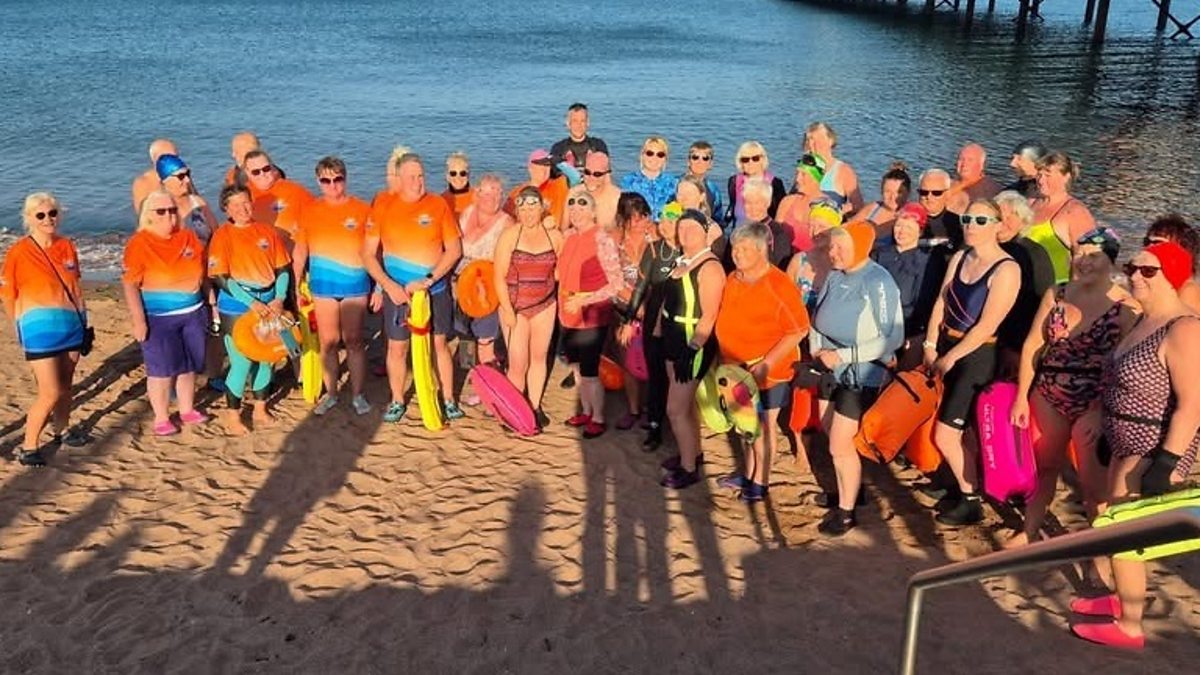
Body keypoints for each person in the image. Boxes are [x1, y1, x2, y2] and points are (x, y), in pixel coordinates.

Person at [1070, 241, 1200, 650]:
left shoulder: (1185, 328)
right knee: (1112, 520)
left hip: (1152, 443)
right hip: (1122, 438)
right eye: (1132, 267)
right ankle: (1120, 597)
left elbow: (1193, 404)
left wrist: (1167, 462)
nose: (1135, 276)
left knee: (1123, 533)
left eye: (1148, 270)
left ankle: (1130, 625)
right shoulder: (1143, 319)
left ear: (1172, 276)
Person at [1008, 228, 1136, 547]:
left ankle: (1099, 553)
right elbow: (1033, 345)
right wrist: (1021, 397)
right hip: (1048, 391)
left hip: (1094, 400)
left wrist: (1102, 410)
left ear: (1112, 260)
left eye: (1093, 255)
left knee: (1094, 488)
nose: (1084, 261)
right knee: (1045, 468)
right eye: (1079, 254)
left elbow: (1126, 368)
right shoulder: (1058, 293)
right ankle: (1029, 530)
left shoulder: (1126, 307)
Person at [923, 199, 1021, 525]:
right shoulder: (961, 257)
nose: (971, 226)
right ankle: (955, 482)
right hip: (948, 345)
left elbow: (986, 326)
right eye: (967, 219)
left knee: (946, 434)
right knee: (959, 430)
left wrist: (950, 357)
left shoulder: (1006, 269)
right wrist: (930, 344)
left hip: (976, 356)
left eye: (980, 220)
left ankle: (970, 498)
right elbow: (941, 301)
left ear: (998, 225)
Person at [809, 222, 904, 533]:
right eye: (832, 247)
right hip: (829, 365)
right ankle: (850, 489)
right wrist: (815, 348)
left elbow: (892, 337)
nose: (833, 253)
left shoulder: (878, 280)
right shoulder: (835, 276)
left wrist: (843, 356)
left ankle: (846, 513)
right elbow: (817, 317)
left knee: (840, 444)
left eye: (841, 247)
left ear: (860, 247)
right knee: (829, 429)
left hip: (861, 372)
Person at [364, 151, 464, 423]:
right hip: (398, 293)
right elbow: (368, 255)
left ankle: (448, 399)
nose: (418, 182)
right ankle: (397, 400)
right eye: (411, 177)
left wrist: (430, 279)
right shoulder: (383, 206)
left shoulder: (437, 204)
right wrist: (388, 287)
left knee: (439, 345)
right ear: (398, 179)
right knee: (397, 348)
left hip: (435, 290)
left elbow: (454, 250)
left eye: (421, 176)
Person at [714, 222, 811, 502]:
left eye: (745, 249)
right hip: (736, 367)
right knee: (746, 425)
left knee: (763, 427)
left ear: (761, 250)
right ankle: (748, 473)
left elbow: (799, 329)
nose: (737, 253)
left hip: (769, 371)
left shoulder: (778, 284)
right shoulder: (734, 278)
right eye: (735, 248)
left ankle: (761, 482)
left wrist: (767, 363)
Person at [1, 193, 90, 466]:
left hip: (71, 325)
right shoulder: (19, 252)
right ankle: (29, 445)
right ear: (29, 218)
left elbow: (75, 286)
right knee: (49, 391)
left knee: (66, 386)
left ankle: (62, 429)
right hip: (38, 331)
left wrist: (84, 321)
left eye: (52, 213)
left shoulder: (66, 246)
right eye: (40, 215)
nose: (47, 219)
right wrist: (18, 326)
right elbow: (8, 294)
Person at [122, 190, 210, 436]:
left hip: (193, 312)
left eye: (172, 210)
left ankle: (187, 409)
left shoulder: (188, 237)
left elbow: (203, 271)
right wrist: (139, 320)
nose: (168, 215)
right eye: (160, 211)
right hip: (159, 318)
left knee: (188, 365)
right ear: (148, 215)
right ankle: (161, 417)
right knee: (161, 369)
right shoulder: (139, 243)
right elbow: (130, 284)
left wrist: (210, 300)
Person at [293, 156, 374, 416]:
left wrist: (380, 288)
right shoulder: (309, 211)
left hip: (355, 284)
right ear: (318, 182)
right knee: (328, 342)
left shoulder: (362, 209)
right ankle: (331, 394)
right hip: (323, 286)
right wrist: (295, 284)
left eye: (337, 179)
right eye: (326, 180)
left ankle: (358, 395)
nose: (332, 185)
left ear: (345, 179)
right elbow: (300, 251)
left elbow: (376, 251)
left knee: (354, 341)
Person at [207, 184, 292, 434]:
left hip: (270, 302)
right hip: (237, 305)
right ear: (226, 209)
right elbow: (220, 277)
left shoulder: (267, 231)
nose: (242, 208)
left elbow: (282, 268)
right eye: (235, 205)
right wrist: (251, 302)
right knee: (241, 362)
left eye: (246, 202)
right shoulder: (222, 235)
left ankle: (260, 409)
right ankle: (233, 416)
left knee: (266, 359)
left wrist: (279, 298)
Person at [657, 210, 725, 489]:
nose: (685, 233)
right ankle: (692, 454)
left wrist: (694, 347)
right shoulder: (682, 260)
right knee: (686, 407)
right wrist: (657, 331)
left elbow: (710, 315)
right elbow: (669, 301)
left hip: (691, 341)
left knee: (675, 410)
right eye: (682, 228)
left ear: (706, 233)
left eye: (692, 228)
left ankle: (689, 469)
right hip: (672, 338)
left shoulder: (709, 267)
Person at [558, 186, 625, 438]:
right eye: (572, 205)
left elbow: (616, 283)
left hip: (591, 317)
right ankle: (585, 411)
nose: (576, 210)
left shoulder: (602, 239)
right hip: (567, 314)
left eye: (582, 205)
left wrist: (585, 300)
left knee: (590, 371)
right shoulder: (568, 236)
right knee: (576, 367)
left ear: (594, 211)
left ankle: (597, 417)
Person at [494, 186, 561, 425]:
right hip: (516, 305)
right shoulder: (510, 236)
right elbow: (498, 276)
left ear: (542, 208)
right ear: (517, 211)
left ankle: (534, 405)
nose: (528, 213)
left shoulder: (555, 236)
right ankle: (514, 409)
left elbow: (560, 271)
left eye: (533, 208)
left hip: (545, 304)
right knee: (518, 362)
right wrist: (507, 310)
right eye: (523, 209)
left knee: (539, 358)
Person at [618, 193, 675, 451]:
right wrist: (633, 311)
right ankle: (633, 409)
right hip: (625, 305)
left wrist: (646, 306)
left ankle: (655, 413)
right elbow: (614, 279)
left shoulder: (657, 238)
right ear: (624, 219)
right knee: (629, 360)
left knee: (655, 364)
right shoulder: (614, 240)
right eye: (635, 218)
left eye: (644, 216)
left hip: (654, 308)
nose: (642, 222)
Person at [454, 174, 512, 379]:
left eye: (497, 193)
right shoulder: (467, 213)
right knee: (464, 332)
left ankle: (488, 378)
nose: (492, 198)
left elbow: (507, 262)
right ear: (476, 194)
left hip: (487, 287)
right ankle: (469, 370)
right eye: (487, 193)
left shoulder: (506, 223)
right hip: (459, 283)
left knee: (485, 337)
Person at [872, 203, 943, 369]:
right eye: (898, 226)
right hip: (874, 326)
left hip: (906, 330)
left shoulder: (928, 262)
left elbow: (924, 304)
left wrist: (912, 337)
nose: (902, 231)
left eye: (909, 227)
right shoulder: (879, 254)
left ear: (921, 231)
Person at [994, 190, 1056, 376]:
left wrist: (1016, 347)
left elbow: (1038, 303)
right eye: (999, 216)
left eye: (1011, 216)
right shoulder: (985, 247)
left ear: (1023, 221)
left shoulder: (1034, 254)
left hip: (1014, 340)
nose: (1003, 222)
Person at [1028, 151, 1096, 285]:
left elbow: (1088, 259)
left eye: (1048, 175)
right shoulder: (1030, 203)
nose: (1041, 180)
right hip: (1021, 284)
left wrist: (1073, 292)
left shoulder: (1074, 212)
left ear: (1066, 177)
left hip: (1055, 288)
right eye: (1039, 174)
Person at [718, 178, 793, 271]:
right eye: (748, 203)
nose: (752, 208)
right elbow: (727, 264)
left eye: (757, 203)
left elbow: (781, 267)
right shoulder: (739, 231)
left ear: (768, 203)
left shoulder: (777, 233)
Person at [244, 149, 313, 240]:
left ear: (272, 167)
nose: (262, 174)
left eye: (266, 169)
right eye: (256, 172)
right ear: (247, 173)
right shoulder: (243, 195)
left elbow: (317, 215)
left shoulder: (294, 190)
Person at [1142, 213, 1200, 313]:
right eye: (1146, 242)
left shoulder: (1187, 292)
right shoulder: (1165, 285)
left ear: (1183, 250)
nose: (1148, 248)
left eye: (1158, 243)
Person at [155, 153, 218, 244]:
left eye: (188, 174)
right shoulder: (159, 211)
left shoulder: (198, 203)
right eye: (181, 176)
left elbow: (217, 234)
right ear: (164, 182)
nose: (187, 180)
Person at [506, 149, 578, 227]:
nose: (544, 170)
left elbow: (575, 177)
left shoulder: (560, 185)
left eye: (547, 165)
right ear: (530, 168)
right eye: (539, 165)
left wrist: (558, 162)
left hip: (556, 232)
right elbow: (507, 218)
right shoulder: (516, 193)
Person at [804, 121, 863, 213]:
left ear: (830, 141)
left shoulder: (843, 171)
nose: (812, 144)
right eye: (809, 140)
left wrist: (836, 210)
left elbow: (857, 205)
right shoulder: (804, 168)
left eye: (818, 140)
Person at [849, 162, 911, 245]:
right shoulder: (872, 209)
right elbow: (847, 229)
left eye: (899, 192)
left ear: (908, 192)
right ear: (881, 191)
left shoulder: (911, 215)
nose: (893, 197)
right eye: (888, 191)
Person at [726, 140, 786, 226]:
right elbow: (732, 207)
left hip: (765, 231)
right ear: (740, 162)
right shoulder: (734, 181)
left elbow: (780, 215)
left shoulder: (775, 183)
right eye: (745, 159)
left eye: (755, 158)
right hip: (738, 231)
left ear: (763, 160)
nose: (750, 162)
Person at [775, 153, 827, 251]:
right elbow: (775, 236)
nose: (797, 179)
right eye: (797, 173)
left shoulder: (827, 207)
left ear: (816, 179)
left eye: (803, 175)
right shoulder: (787, 202)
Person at [620, 136, 679, 220]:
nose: (654, 158)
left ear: (665, 159)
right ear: (642, 156)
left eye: (660, 154)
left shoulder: (674, 183)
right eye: (650, 153)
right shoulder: (628, 181)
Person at [550, 102, 608, 171]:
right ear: (568, 124)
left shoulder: (598, 146)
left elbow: (607, 173)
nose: (579, 125)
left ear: (588, 123)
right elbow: (553, 174)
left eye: (582, 121)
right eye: (575, 121)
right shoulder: (558, 148)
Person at [946, 143, 1002, 214]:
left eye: (970, 160)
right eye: (961, 159)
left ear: (981, 165)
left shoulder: (987, 191)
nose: (964, 164)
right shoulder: (949, 181)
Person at [916, 169, 962, 252]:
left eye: (936, 193)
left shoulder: (959, 224)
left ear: (947, 194)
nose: (929, 197)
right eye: (924, 192)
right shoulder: (906, 220)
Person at [131, 138, 177, 214]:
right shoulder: (143, 182)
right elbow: (143, 214)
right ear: (155, 160)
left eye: (175, 157)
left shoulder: (182, 177)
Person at [685, 141, 723, 227]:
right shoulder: (675, 184)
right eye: (695, 157)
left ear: (710, 164)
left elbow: (718, 220)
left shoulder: (713, 190)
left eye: (705, 158)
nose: (700, 162)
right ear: (688, 161)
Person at [581, 151, 621, 228]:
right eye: (587, 172)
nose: (591, 178)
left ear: (607, 174)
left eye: (597, 174)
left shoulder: (617, 199)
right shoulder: (574, 193)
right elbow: (563, 230)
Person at [441, 151, 474, 219]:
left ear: (468, 175)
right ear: (447, 176)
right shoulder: (442, 200)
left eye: (462, 173)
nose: (458, 177)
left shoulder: (478, 197)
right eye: (453, 173)